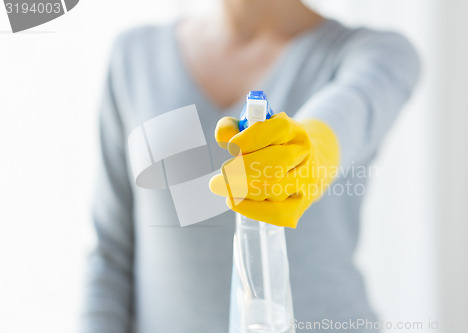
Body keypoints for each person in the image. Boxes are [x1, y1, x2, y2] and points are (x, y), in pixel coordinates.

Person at [81, 0, 420, 332]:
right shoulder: (134, 57)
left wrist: (309, 152)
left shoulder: (373, 53)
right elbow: (111, 254)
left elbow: (353, 109)